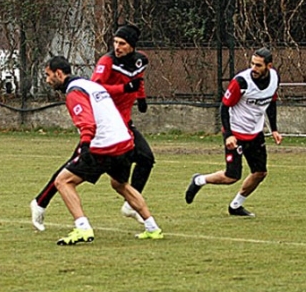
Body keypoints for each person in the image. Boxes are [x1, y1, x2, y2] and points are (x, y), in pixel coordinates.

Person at [30, 24, 154, 230]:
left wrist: (141, 98)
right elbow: (96, 87)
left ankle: (133, 207)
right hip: (104, 127)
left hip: (120, 126)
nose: (117, 47)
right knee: (69, 172)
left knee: (144, 160)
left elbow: (137, 80)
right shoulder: (106, 62)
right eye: (115, 42)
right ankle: (41, 203)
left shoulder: (140, 61)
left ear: (132, 45)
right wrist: (123, 89)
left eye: (122, 43)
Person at [41, 56, 163, 245]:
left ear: (59, 73)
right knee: (120, 184)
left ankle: (82, 228)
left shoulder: (74, 92)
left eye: (48, 76)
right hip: (124, 142)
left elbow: (87, 121)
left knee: (62, 181)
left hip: (104, 146)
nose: (47, 80)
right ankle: (152, 227)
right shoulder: (91, 85)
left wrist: (85, 145)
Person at [185, 47, 282, 217]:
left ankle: (236, 205)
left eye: (258, 65)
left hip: (255, 132)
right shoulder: (241, 82)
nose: (254, 68)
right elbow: (224, 107)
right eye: (252, 63)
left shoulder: (274, 78)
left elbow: (271, 103)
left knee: (260, 173)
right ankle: (199, 180)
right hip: (235, 133)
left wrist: (273, 129)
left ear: (269, 66)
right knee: (231, 177)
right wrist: (228, 134)